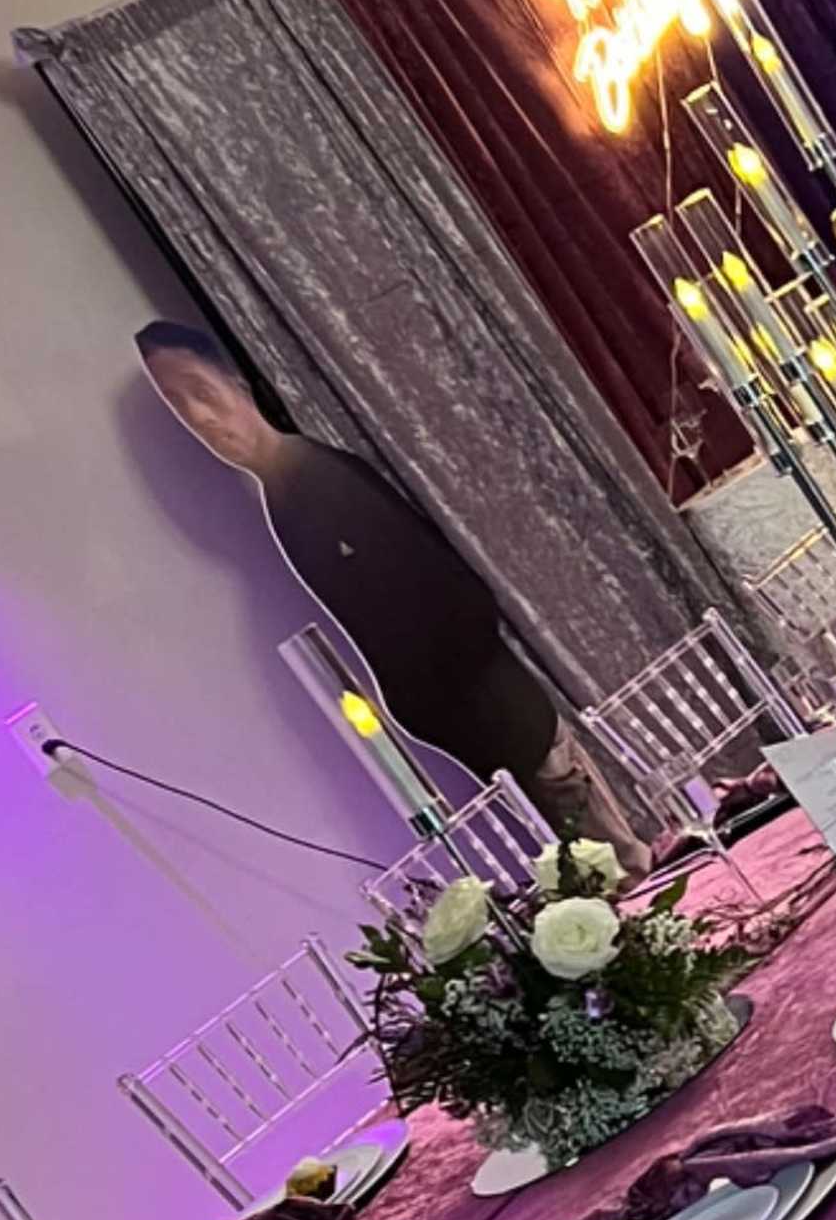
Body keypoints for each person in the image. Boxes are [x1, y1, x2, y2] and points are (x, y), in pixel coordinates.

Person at [133, 324, 621, 842]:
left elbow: (456, 596)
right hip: (471, 747)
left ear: (237, 383)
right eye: (177, 403)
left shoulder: (320, 477)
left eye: (202, 391)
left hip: (509, 727)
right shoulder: (282, 500)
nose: (199, 417)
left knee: (617, 871)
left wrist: (436, 691)